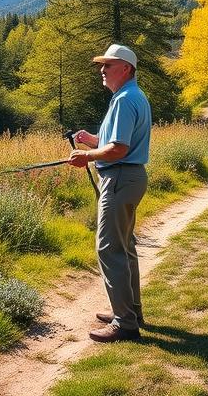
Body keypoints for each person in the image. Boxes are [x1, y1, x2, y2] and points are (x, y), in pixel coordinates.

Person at [67, 43, 151, 343]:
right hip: (128, 178)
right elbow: (114, 140)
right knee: (125, 247)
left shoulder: (124, 100)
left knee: (109, 249)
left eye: (108, 65)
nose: (102, 70)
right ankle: (131, 311)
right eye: (102, 65)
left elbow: (118, 149)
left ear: (125, 68)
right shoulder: (132, 97)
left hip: (119, 179)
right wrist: (93, 140)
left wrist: (86, 156)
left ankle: (125, 323)